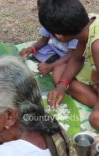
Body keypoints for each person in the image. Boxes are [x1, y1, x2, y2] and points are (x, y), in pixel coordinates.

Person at [39, 0, 99, 130]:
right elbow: (77, 59)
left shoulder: (97, 45)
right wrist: (61, 86)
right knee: (59, 73)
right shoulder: (88, 24)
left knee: (95, 119)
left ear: (59, 36)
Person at [19, 0, 78, 76]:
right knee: (38, 53)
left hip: (69, 55)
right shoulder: (48, 21)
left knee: (62, 71)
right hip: (53, 49)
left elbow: (71, 55)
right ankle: (52, 62)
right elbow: (43, 41)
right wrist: (31, 48)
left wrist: (51, 66)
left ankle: (53, 64)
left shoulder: (70, 26)